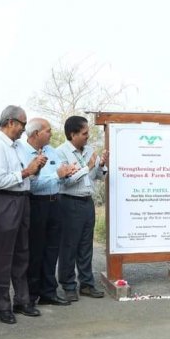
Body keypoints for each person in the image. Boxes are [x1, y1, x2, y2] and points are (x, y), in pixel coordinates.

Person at [0, 105, 43, 323]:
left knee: (22, 252)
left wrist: (36, 167)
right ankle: (2, 305)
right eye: (22, 125)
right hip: (3, 199)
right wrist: (27, 171)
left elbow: (26, 176)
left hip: (22, 199)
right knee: (3, 255)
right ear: (10, 123)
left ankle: (22, 299)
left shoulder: (18, 147)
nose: (24, 130)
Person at [24, 118, 76, 306]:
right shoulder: (22, 152)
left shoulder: (52, 152)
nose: (51, 133)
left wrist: (67, 173)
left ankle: (49, 292)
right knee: (35, 250)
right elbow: (32, 183)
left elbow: (59, 179)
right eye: (48, 130)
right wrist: (57, 175)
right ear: (36, 133)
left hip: (55, 203)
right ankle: (30, 294)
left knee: (52, 249)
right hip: (36, 203)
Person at [56, 116, 108, 301]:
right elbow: (66, 180)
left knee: (86, 246)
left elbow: (96, 177)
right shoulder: (60, 153)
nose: (88, 136)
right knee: (69, 245)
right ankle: (69, 286)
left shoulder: (89, 151)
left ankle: (87, 284)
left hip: (87, 202)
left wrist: (101, 165)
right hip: (69, 202)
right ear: (73, 134)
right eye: (85, 133)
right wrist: (88, 167)